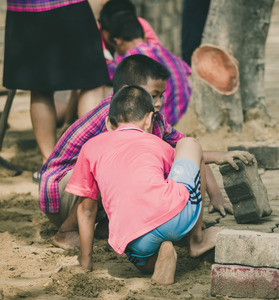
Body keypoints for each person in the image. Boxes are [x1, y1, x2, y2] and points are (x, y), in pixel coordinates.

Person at [39, 54, 252, 250]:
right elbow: (102, 166)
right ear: (128, 91)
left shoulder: (154, 118)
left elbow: (189, 152)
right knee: (122, 168)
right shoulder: (111, 116)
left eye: (161, 95)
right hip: (63, 190)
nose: (158, 103)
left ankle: (108, 228)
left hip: (88, 197)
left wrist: (217, 197)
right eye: (153, 95)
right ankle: (67, 232)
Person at [68, 85, 223, 285]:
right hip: (176, 218)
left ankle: (155, 260)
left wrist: (85, 264)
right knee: (189, 144)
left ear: (108, 122)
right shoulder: (158, 144)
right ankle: (196, 241)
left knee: (140, 255)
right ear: (149, 119)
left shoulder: (90, 147)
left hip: (134, 238)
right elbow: (177, 174)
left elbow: (87, 210)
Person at [3, 0, 110, 170]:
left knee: (39, 89)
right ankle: (87, 161)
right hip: (69, 6)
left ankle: (50, 165)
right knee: (92, 82)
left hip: (25, 11)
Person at [104, 12, 190, 126]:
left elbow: (105, 76)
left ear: (118, 42)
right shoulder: (165, 52)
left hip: (157, 121)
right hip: (182, 115)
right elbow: (188, 71)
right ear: (143, 34)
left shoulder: (128, 61)